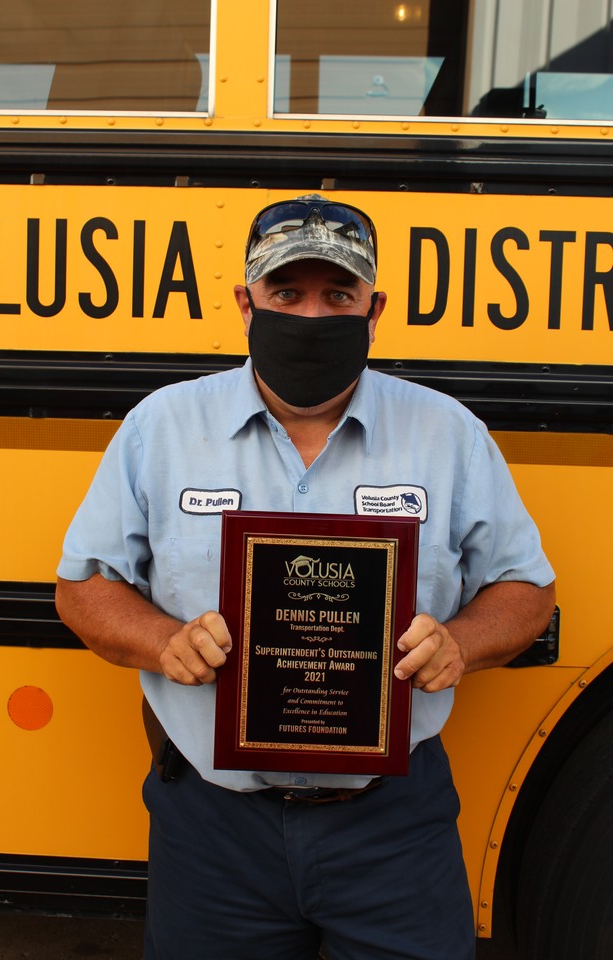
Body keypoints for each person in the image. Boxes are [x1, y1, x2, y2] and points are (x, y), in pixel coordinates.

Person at [56, 195, 556, 960]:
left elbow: (527, 589)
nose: (312, 316)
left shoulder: (447, 433)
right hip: (215, 829)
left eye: (338, 296)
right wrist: (163, 643)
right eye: (287, 294)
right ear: (245, 303)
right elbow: (84, 586)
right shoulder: (162, 427)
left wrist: (461, 643)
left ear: (374, 307)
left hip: (393, 828)